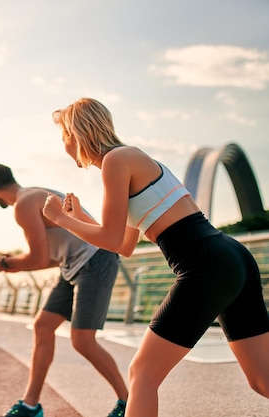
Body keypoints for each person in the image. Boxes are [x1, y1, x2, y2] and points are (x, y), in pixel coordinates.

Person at [43, 97, 269, 417]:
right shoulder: (129, 159)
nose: (64, 144)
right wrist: (78, 216)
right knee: (263, 380)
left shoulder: (116, 161)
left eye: (63, 135)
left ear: (74, 135)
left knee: (142, 375)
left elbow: (110, 238)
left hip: (205, 264)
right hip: (229, 257)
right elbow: (123, 244)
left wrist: (62, 220)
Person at [0, 164, 128, 417]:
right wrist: (12, 262)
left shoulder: (24, 205)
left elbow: (37, 259)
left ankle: (128, 403)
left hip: (95, 260)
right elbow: (49, 259)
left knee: (82, 340)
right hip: (73, 265)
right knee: (43, 326)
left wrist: (4, 264)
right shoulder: (33, 195)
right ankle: (30, 405)